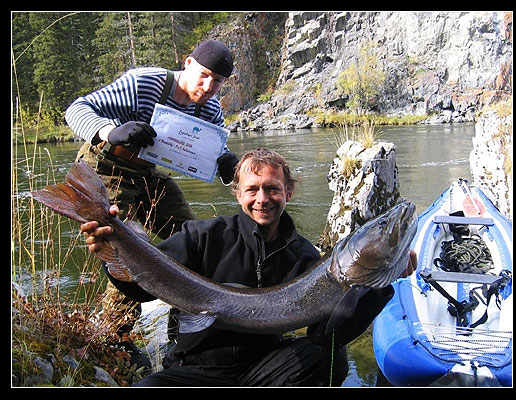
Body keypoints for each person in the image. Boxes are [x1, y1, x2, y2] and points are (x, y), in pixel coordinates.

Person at [81, 148, 417, 387]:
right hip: (196, 370)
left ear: (288, 191)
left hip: (262, 370)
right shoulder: (202, 236)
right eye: (253, 189)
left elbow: (325, 336)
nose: (263, 198)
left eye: (272, 188)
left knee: (332, 358)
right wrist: (113, 255)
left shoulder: (304, 256)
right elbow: (141, 288)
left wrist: (376, 288)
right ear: (238, 194)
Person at [66, 39, 239, 345]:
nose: (208, 86)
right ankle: (116, 339)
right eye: (203, 75)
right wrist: (110, 131)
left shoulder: (210, 107)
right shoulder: (143, 83)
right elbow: (77, 109)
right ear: (187, 64)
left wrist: (226, 165)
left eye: (218, 81)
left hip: (147, 173)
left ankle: (187, 321)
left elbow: (213, 149)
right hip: (105, 166)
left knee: (192, 235)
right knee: (127, 248)